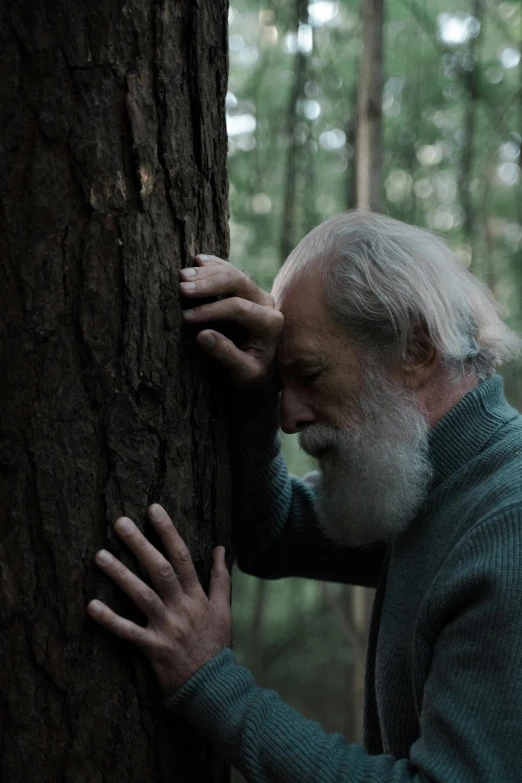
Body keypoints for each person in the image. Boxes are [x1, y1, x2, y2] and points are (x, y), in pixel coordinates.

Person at [87, 211, 522, 782]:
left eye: (309, 374)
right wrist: (256, 395)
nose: (289, 418)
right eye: (285, 389)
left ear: (414, 349)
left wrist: (212, 683)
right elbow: (274, 533)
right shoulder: (429, 480)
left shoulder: (506, 527)